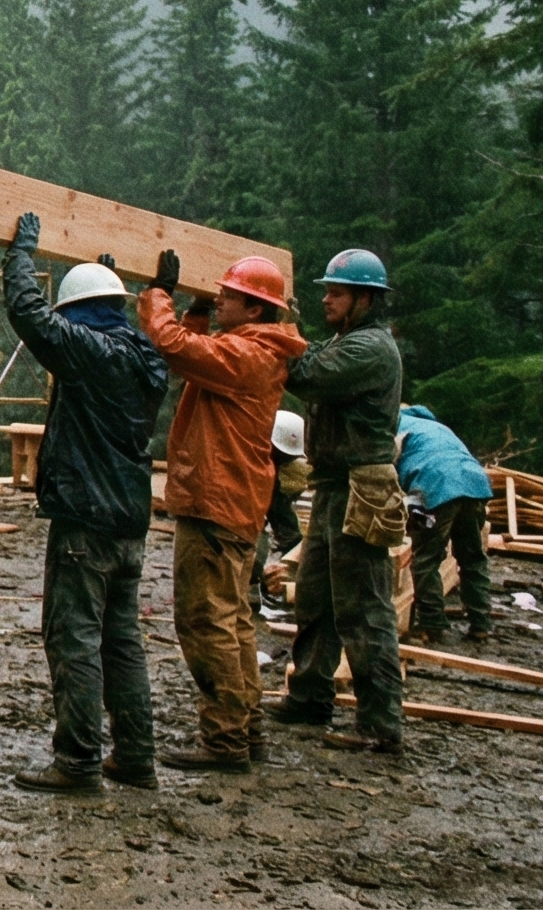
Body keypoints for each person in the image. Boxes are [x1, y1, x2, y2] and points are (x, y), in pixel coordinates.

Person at [0, 216, 168, 794]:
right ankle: (137, 756)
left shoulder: (91, 350)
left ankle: (77, 761)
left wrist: (19, 253)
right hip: (127, 522)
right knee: (121, 641)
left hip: (85, 522)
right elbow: (104, 331)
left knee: (73, 637)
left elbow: (28, 313)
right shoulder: (145, 357)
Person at [137, 249, 304, 773]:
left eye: (228, 296)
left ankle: (225, 740)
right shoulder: (255, 348)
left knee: (206, 621)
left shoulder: (250, 355)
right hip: (231, 500)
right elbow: (199, 349)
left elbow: (174, 347)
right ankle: (244, 729)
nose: (221, 299)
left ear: (254, 309)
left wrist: (158, 294)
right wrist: (199, 311)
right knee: (234, 620)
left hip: (217, 500)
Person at [276, 249, 409, 754]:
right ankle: (310, 696)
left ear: (365, 299)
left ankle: (380, 725)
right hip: (334, 483)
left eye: (336, 292)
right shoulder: (347, 341)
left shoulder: (370, 349)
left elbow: (305, 375)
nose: (326, 299)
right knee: (316, 598)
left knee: (363, 608)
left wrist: (280, 324)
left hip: (361, 486)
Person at [397, 403, 494, 643]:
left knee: (426, 558)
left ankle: (431, 625)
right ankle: (481, 624)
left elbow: (387, 477)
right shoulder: (437, 427)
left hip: (434, 488)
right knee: (472, 557)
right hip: (475, 484)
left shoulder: (394, 426)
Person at [256, 410, 313, 615]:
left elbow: (286, 525)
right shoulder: (253, 460)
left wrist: (290, 567)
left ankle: (254, 587)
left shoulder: (284, 473)